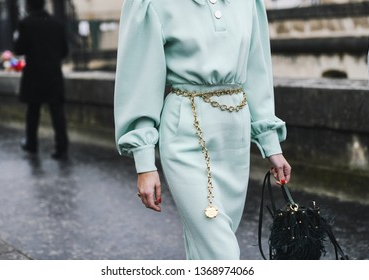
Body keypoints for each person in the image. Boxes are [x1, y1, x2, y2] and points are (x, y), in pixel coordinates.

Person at [114, 0, 292, 260]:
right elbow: (140, 79)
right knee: (222, 253)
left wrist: (270, 142)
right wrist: (144, 163)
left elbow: (257, 71)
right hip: (185, 136)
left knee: (207, 250)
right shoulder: (150, 3)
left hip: (235, 138)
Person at [14, 0, 69, 159]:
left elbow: (19, 49)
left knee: (33, 111)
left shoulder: (25, 23)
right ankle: (62, 146)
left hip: (34, 75)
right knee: (57, 112)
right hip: (53, 74)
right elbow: (64, 51)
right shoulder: (56, 23)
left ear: (29, 5)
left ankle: (32, 143)